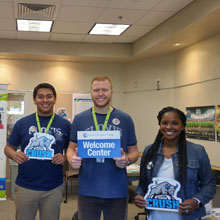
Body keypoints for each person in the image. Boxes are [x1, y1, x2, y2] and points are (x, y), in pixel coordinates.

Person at [67, 76, 139, 220]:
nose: (100, 94)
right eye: (96, 90)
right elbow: (71, 148)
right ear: (91, 92)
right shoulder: (80, 119)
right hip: (87, 190)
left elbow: (134, 151)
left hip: (116, 191)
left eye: (105, 90)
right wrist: (71, 158)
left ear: (112, 92)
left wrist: (127, 160)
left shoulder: (125, 119)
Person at [134, 106, 216, 220]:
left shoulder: (197, 151)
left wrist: (196, 201)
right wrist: (139, 194)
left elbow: (209, 184)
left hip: (187, 216)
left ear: (182, 126)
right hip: (154, 216)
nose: (169, 127)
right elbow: (143, 182)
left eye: (175, 123)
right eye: (164, 123)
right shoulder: (149, 151)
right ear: (160, 125)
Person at [4, 83, 71, 220]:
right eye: (40, 97)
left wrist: (64, 158)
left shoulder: (65, 125)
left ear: (55, 99)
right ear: (34, 100)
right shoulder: (23, 123)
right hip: (25, 187)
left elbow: (73, 150)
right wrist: (14, 154)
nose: (45, 100)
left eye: (49, 96)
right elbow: (8, 148)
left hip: (53, 187)